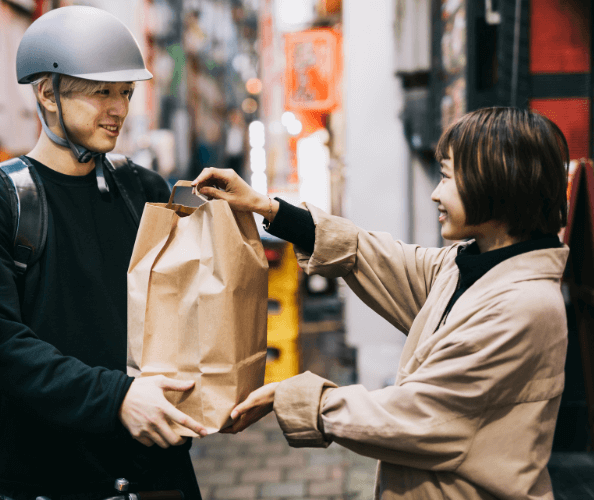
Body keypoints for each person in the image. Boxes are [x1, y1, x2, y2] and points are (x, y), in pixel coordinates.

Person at [192, 107, 570, 500]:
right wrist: (265, 207)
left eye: (447, 177)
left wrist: (290, 397)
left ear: (497, 183)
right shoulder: (468, 267)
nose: (435, 193)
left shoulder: (521, 306)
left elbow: (418, 414)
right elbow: (369, 254)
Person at [0, 6, 205, 500]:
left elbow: (177, 309)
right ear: (47, 92)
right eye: (101, 91)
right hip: (52, 476)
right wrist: (118, 398)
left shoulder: (143, 189)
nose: (119, 109)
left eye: (126, 92)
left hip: (157, 469)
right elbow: (1, 346)